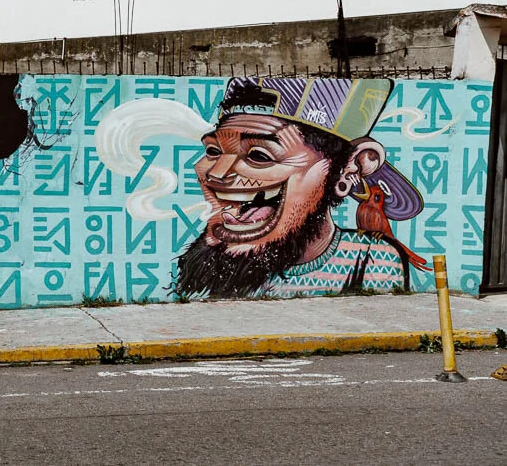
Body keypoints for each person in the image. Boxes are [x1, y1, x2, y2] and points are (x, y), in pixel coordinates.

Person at [174, 77, 425, 300]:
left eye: (259, 155)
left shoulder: (371, 260)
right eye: (213, 151)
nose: (217, 173)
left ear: (349, 168)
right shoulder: (217, 262)